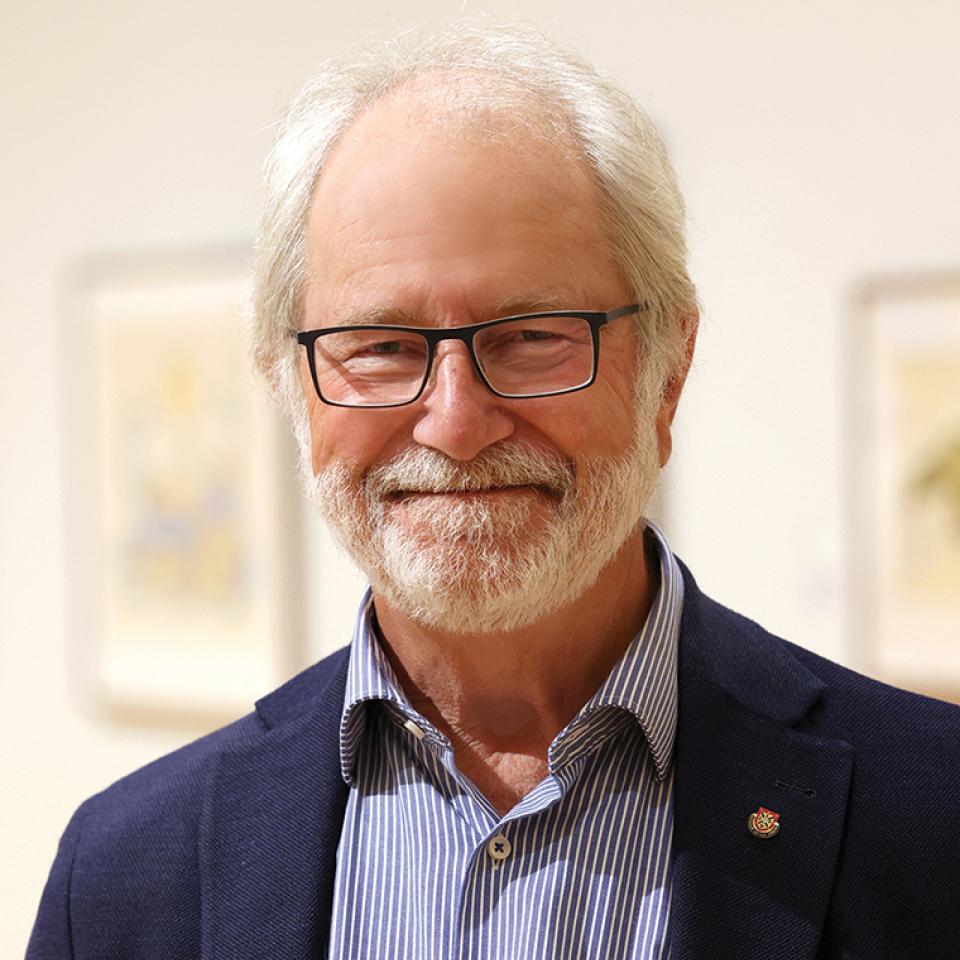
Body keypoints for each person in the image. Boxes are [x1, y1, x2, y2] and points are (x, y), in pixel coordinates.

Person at [28, 21, 960, 960]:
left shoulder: (934, 818)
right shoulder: (122, 879)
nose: (456, 423)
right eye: (382, 347)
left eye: (532, 336)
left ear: (668, 371)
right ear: (287, 386)